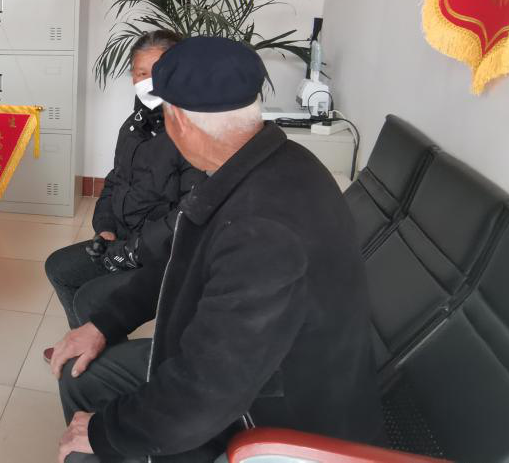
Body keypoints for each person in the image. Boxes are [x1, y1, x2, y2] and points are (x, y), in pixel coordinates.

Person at [51, 37, 383, 462]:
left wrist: (105, 433)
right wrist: (103, 324)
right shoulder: (266, 161)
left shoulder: (262, 231)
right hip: (242, 376)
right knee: (81, 376)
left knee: (88, 446)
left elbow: (204, 395)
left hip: (275, 423)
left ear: (178, 122)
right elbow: (178, 259)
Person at [44, 31, 204, 343]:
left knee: (90, 298)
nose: (147, 82)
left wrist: (132, 251)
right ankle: (87, 345)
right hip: (123, 240)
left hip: (165, 256)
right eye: (140, 73)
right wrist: (105, 229)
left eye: (157, 72)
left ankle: (98, 354)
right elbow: (116, 179)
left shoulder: (194, 134)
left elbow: (190, 214)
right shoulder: (133, 126)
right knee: (59, 268)